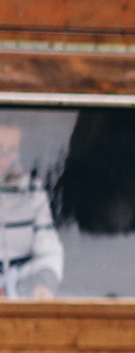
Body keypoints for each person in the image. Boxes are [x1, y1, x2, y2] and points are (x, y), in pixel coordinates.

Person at [0, 122, 64, 299]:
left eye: (11, 150)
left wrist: (42, 282)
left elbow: (48, 251)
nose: (4, 158)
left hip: (20, 302)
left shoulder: (32, 193)